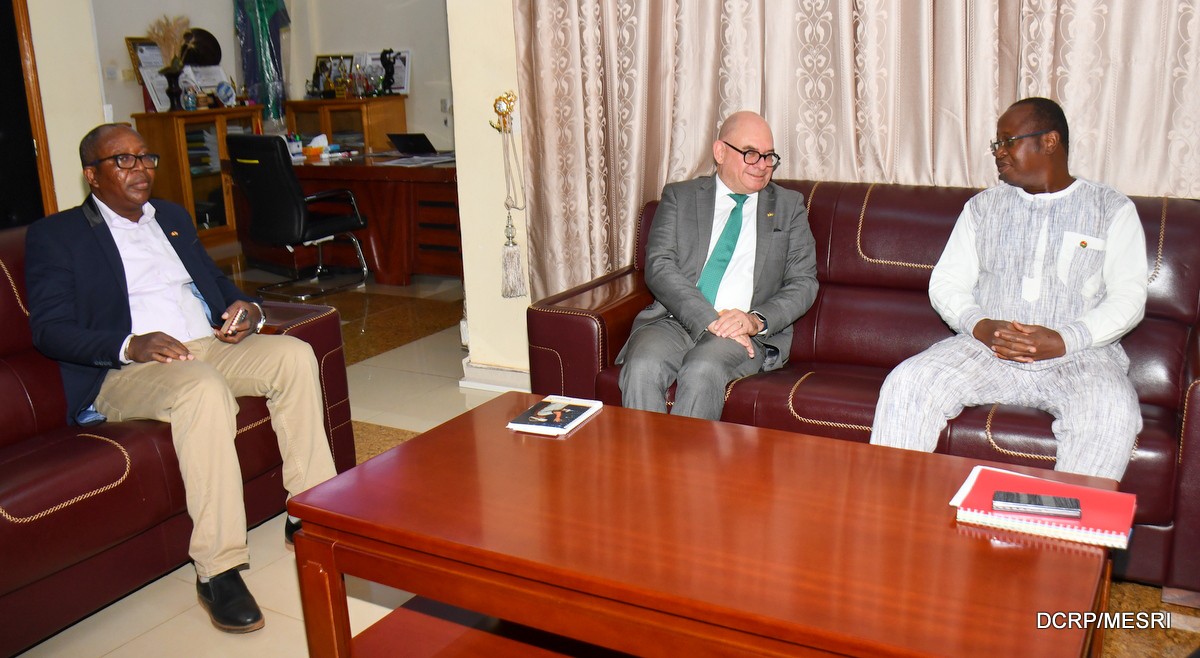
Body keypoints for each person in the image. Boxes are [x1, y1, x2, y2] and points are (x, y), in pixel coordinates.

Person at [24, 124, 338, 633]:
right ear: (91, 175)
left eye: (144, 157)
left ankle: (311, 510)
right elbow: (50, 330)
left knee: (294, 356)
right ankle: (218, 570)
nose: (140, 168)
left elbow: (216, 284)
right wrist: (130, 343)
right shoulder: (57, 235)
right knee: (201, 388)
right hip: (127, 369)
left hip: (208, 346)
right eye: (122, 160)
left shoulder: (169, 216)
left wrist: (248, 310)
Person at [870, 98, 1147, 481]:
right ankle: (888, 512)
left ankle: (1066, 522)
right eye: (996, 144)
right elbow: (947, 282)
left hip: (1079, 356)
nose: (998, 152)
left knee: (1111, 411)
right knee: (909, 383)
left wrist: (1065, 338)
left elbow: (1129, 298)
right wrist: (979, 325)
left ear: (1049, 141)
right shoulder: (982, 208)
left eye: (1007, 141)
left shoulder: (1110, 208)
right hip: (988, 349)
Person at [617, 110, 819, 419]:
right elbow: (659, 265)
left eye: (769, 156)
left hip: (741, 331)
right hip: (676, 320)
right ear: (720, 152)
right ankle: (644, 455)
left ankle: (685, 456)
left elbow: (804, 282)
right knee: (643, 365)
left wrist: (754, 321)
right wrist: (707, 317)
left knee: (702, 369)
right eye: (751, 154)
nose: (762, 165)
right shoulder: (680, 197)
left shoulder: (788, 207)